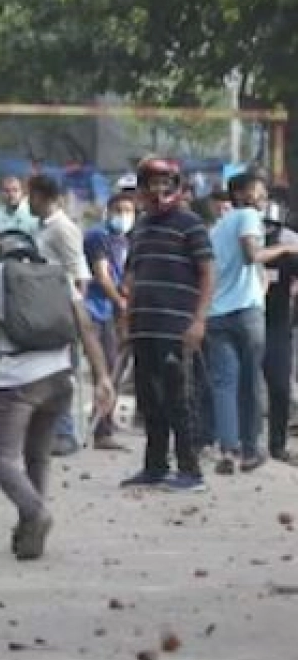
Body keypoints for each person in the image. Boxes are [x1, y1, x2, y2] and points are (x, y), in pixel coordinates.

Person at [0, 232, 114, 560]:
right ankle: (30, 533)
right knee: (38, 455)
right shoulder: (57, 274)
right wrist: (102, 376)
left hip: (17, 381)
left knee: (2, 458)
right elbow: (86, 325)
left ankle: (35, 512)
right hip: (60, 378)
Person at [120, 157, 213, 492]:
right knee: (149, 401)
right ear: (142, 188)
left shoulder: (191, 224)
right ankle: (155, 466)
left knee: (180, 400)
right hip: (144, 327)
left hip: (177, 329)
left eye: (164, 183)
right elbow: (131, 277)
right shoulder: (141, 227)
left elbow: (207, 273)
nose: (158, 190)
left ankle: (191, 471)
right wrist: (126, 320)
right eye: (151, 183)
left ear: (175, 186)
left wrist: (199, 320)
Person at [205, 174, 298, 474]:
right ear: (244, 194)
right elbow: (252, 256)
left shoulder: (217, 228)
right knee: (249, 383)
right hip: (246, 311)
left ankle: (228, 450)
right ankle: (249, 449)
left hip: (217, 313)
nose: (263, 197)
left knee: (224, 385)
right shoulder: (247, 216)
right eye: (259, 191)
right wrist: (283, 250)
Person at [28, 175, 93, 456]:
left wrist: (74, 315)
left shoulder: (63, 229)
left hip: (62, 311)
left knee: (61, 372)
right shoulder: (41, 228)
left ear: (42, 197)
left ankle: (65, 433)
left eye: (31, 195)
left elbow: (79, 275)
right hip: (42, 308)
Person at [82, 192, 135, 450]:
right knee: (106, 369)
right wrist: (121, 302)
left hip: (110, 310)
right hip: (94, 310)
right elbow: (102, 277)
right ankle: (101, 429)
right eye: (119, 210)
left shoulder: (122, 240)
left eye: (129, 210)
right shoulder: (98, 237)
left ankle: (103, 420)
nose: (124, 216)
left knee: (113, 366)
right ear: (109, 211)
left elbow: (120, 275)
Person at [260, 195, 298, 465]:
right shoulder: (245, 238)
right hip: (246, 318)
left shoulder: (291, 243)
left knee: (280, 387)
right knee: (241, 386)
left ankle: (278, 444)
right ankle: (237, 443)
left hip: (278, 322)